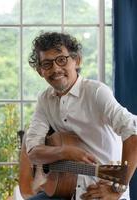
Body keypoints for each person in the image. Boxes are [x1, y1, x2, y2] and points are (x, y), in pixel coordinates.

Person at [25, 32, 137, 200]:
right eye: (47, 64)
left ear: (76, 61)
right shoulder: (44, 99)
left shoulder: (96, 92)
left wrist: (117, 189)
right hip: (63, 190)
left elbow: (133, 133)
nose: (55, 69)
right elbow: (33, 151)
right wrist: (63, 152)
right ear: (41, 71)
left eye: (61, 60)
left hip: (99, 191)